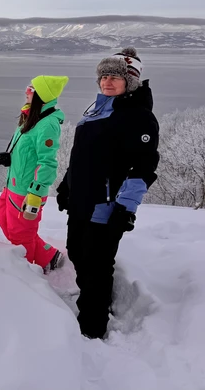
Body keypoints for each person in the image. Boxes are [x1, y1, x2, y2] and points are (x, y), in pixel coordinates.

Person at [56, 47, 160, 340]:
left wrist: (125, 209)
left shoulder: (138, 117)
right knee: (77, 253)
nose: (107, 81)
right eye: (103, 76)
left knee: (96, 267)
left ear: (131, 82)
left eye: (115, 76)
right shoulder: (97, 110)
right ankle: (96, 303)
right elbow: (81, 156)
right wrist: (67, 187)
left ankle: (91, 327)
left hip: (106, 207)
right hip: (81, 202)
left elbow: (143, 167)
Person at [0, 75, 68, 273]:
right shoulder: (31, 118)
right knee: (7, 225)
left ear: (41, 95)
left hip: (28, 191)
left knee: (21, 236)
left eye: (31, 89)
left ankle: (26, 276)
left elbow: (48, 163)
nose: (26, 93)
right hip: (13, 185)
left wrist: (36, 193)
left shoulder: (47, 125)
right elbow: (28, 153)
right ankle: (49, 255)